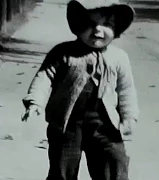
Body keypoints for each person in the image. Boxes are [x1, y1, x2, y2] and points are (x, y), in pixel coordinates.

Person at [21, 0, 139, 180]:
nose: (98, 30)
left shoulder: (119, 58)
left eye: (106, 24)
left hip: (105, 125)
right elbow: (45, 77)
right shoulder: (63, 52)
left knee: (114, 162)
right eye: (90, 24)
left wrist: (129, 116)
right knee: (63, 167)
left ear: (116, 29)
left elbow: (126, 90)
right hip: (67, 124)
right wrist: (35, 101)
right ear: (77, 26)